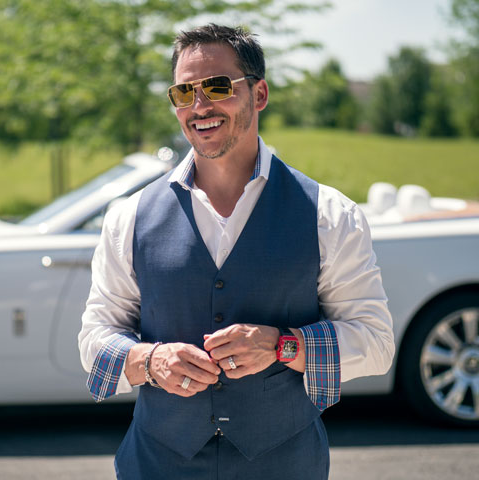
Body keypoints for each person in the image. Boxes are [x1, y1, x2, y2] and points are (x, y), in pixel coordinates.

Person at [78, 24, 394, 480]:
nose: (199, 106)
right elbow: (94, 338)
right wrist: (150, 361)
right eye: (184, 92)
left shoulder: (329, 214)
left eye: (217, 87)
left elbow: (376, 341)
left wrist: (285, 345)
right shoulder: (129, 217)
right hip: (157, 462)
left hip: (287, 464)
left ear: (259, 93)